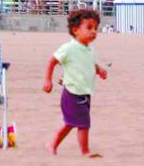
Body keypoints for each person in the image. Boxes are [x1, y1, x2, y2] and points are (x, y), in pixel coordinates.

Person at [43, 9, 107, 157]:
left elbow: (91, 63)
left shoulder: (89, 49)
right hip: (72, 93)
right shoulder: (68, 48)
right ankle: (85, 151)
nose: (93, 32)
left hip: (84, 92)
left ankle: (52, 144)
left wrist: (100, 70)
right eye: (89, 27)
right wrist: (48, 80)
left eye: (95, 28)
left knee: (70, 123)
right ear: (75, 30)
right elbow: (52, 62)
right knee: (83, 124)